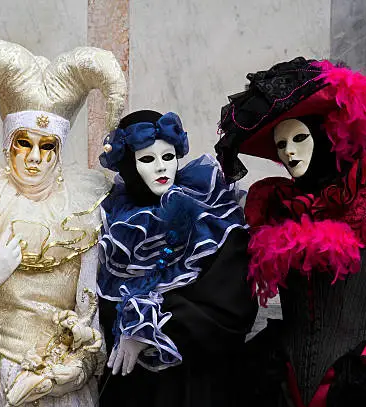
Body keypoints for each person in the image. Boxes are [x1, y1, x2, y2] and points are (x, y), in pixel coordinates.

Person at [0, 38, 127, 406]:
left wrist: (77, 369)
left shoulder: (82, 216)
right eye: (24, 142)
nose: (35, 158)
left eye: (47, 145)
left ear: (59, 149)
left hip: (59, 391)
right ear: (7, 145)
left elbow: (90, 321)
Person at [216, 57, 366, 406]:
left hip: (358, 387)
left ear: (326, 135)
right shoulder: (277, 209)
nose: (289, 151)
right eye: (280, 144)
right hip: (283, 385)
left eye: (300, 137)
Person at [97, 109, 258, 406]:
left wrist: (151, 328)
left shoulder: (211, 212)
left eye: (168, 157)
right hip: (133, 384)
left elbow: (233, 304)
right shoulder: (114, 223)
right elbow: (101, 298)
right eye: (147, 159)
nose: (161, 168)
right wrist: (122, 326)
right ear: (128, 166)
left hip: (195, 380)